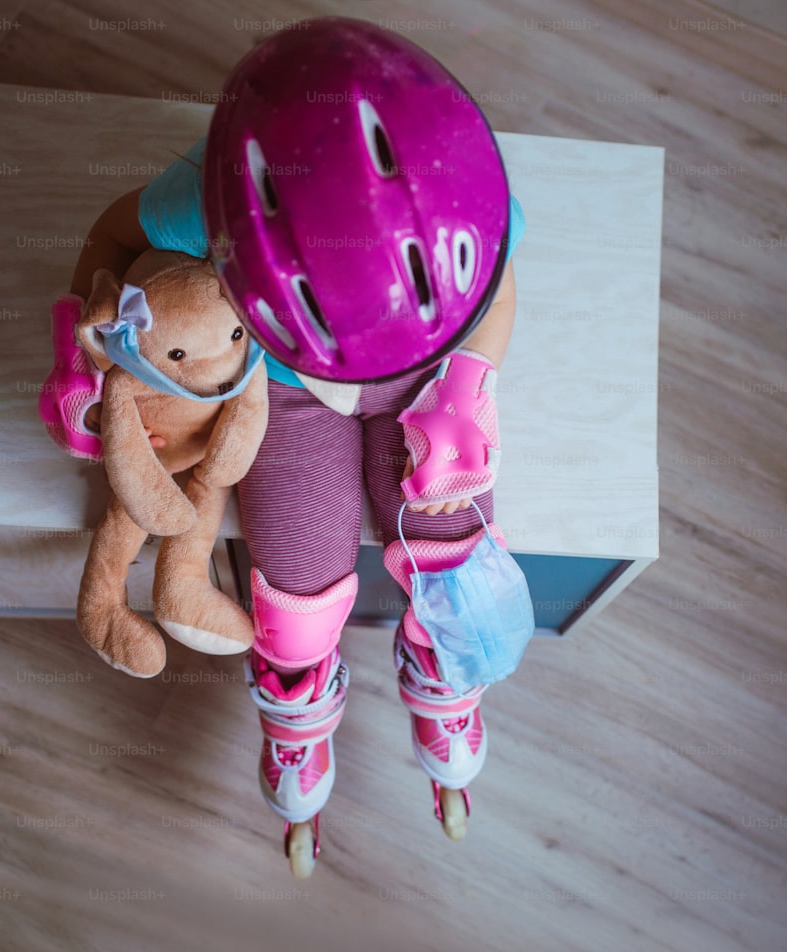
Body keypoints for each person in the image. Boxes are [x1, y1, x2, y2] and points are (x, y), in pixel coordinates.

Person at [45, 17, 532, 876]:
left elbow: (495, 286)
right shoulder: (197, 200)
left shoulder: (461, 187)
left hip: (421, 373)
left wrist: (466, 387)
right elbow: (115, 240)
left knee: (451, 546)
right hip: (285, 391)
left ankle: (443, 663)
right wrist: (83, 343)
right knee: (294, 590)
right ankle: (298, 689)